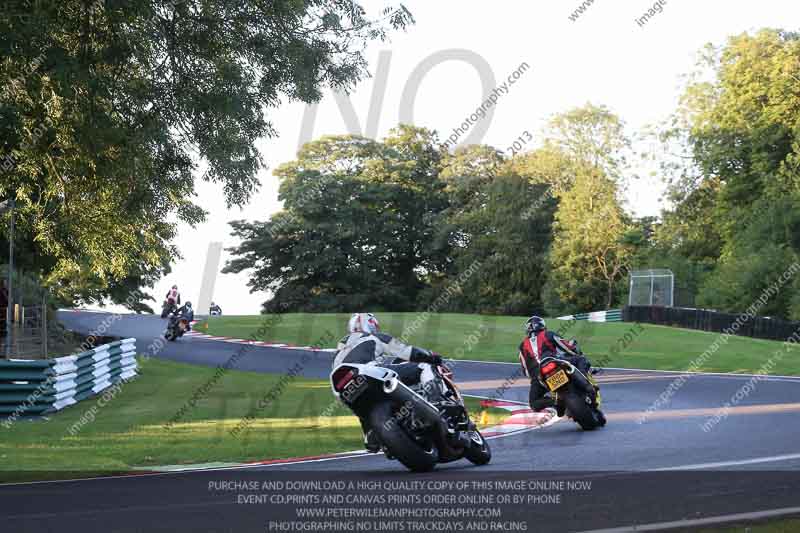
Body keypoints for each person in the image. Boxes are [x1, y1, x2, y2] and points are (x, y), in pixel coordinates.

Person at [333, 312, 447, 453]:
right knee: (425, 367)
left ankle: (370, 435)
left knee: (360, 406)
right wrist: (431, 356)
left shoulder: (340, 348)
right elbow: (408, 352)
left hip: (340, 386)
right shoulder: (374, 337)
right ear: (371, 325)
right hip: (368, 372)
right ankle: (435, 402)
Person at [518, 315, 594, 419]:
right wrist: (575, 351)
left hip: (539, 376)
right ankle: (585, 382)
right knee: (580, 359)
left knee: (534, 403)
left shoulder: (522, 346)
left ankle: (556, 402)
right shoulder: (548, 334)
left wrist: (535, 379)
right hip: (553, 362)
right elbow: (567, 347)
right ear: (542, 326)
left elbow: (526, 371)